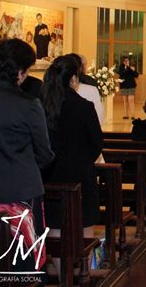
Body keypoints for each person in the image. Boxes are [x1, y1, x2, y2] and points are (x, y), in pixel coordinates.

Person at [0, 39, 54, 273]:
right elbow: (45, 154)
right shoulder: (28, 104)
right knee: (24, 265)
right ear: (19, 72)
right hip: (21, 192)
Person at [41, 55, 103, 236]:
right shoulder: (84, 106)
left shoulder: (43, 105)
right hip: (81, 174)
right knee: (84, 225)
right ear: (74, 79)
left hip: (52, 174)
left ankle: (59, 265)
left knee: (55, 227)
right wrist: (83, 160)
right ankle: (84, 264)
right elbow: (96, 143)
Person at [66, 53, 104, 125]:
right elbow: (98, 116)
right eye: (84, 65)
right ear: (80, 67)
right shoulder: (91, 88)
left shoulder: (53, 89)